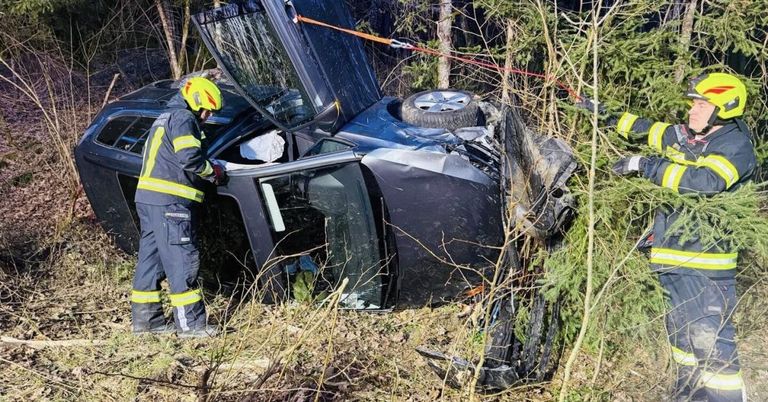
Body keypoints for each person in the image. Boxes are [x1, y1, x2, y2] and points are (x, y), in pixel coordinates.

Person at [578, 72, 755, 401]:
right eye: (693, 103)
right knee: (683, 345)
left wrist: (646, 166)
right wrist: (597, 110)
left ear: (725, 108)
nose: (693, 110)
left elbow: (705, 183)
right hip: (671, 262)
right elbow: (644, 128)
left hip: (706, 270)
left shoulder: (735, 146)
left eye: (702, 104)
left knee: (713, 350)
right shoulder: (686, 136)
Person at [131, 76, 227, 338]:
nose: (208, 116)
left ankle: (146, 322)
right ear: (197, 102)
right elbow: (190, 159)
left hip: (148, 199)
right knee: (181, 259)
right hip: (171, 201)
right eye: (207, 110)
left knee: (151, 260)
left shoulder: (165, 117)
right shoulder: (184, 119)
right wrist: (214, 172)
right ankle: (191, 325)